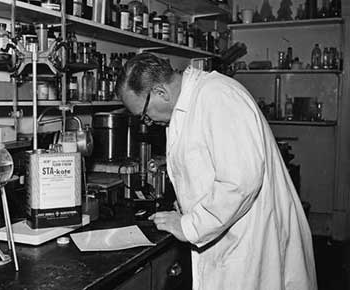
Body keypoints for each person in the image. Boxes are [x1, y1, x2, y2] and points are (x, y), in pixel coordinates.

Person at [115, 53, 317, 290]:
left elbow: (240, 181)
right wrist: (189, 205)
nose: (147, 121)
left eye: (145, 115)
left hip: (251, 241)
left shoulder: (218, 96)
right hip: (229, 238)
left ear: (161, 92)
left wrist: (189, 225)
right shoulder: (185, 107)